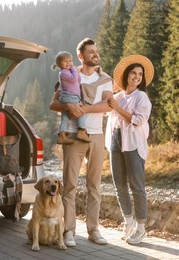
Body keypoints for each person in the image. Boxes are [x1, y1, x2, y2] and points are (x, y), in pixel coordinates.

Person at [49, 38, 113, 246]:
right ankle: (69, 231)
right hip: (73, 136)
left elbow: (108, 105)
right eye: (91, 51)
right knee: (69, 186)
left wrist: (83, 109)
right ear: (80, 56)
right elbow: (53, 104)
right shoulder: (69, 75)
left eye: (96, 51)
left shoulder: (104, 78)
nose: (95, 54)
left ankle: (93, 230)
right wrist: (69, 107)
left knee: (94, 185)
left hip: (96, 135)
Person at [105, 54, 154, 245]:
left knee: (137, 186)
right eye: (133, 73)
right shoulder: (117, 96)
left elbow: (138, 120)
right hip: (115, 142)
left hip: (133, 144)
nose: (136, 77)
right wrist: (113, 95)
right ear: (126, 75)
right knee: (119, 185)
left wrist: (117, 107)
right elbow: (104, 108)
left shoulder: (142, 97)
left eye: (140, 74)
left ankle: (141, 227)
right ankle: (128, 222)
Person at [51, 51, 90, 144]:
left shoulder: (68, 71)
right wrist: (74, 69)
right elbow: (74, 79)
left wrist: (75, 72)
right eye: (65, 61)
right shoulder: (63, 73)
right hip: (70, 96)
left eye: (70, 61)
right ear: (59, 64)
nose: (69, 63)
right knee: (81, 111)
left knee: (65, 117)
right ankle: (81, 131)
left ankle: (62, 135)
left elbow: (78, 80)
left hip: (69, 96)